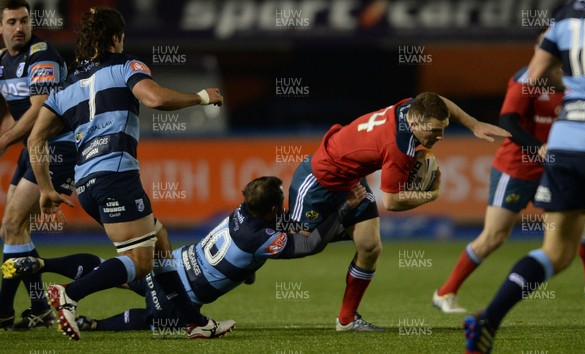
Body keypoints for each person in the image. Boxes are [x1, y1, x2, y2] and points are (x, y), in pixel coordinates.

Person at [25, 7, 233, 341]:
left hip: (86, 183)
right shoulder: (125, 65)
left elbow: (35, 138)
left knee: (161, 244)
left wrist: (45, 188)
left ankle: (194, 322)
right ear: (116, 37)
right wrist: (201, 97)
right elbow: (154, 98)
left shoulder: (65, 87)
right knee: (141, 261)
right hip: (115, 176)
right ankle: (70, 294)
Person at [3, 177, 366, 332]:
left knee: (112, 268)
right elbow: (308, 244)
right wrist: (345, 218)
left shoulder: (243, 213)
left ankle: (44, 263)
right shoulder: (260, 235)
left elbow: (285, 231)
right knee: (163, 320)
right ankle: (95, 324)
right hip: (183, 287)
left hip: (171, 262)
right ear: (272, 209)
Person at [288, 92, 511, 331]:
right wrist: (431, 195)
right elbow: (392, 202)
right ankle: (246, 253)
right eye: (435, 130)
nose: (441, 136)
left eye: (443, 128)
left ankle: (347, 319)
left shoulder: (413, 108)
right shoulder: (398, 147)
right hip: (318, 181)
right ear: (414, 123)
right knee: (299, 245)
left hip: (351, 180)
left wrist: (474, 125)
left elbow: (441, 101)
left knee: (370, 246)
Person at [464, 1, 585, 353]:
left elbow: (533, 75)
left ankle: (489, 318)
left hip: (566, 139)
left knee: (556, 251)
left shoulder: (564, 17)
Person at [434, 30, 585, 314]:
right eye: (541, 46)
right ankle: (446, 292)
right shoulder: (526, 80)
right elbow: (508, 122)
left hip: (557, 167)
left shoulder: (579, 81)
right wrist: (539, 148)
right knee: (494, 236)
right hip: (517, 168)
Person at [0, 0, 74, 330]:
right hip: (32, 147)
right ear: (0, 28)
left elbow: (39, 108)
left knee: (14, 223)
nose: (20, 28)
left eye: (25, 20)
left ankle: (3, 311)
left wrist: (4, 139)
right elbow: (15, 110)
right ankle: (40, 307)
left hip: (58, 147)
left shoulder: (41, 54)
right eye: (12, 22)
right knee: (13, 228)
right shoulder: (3, 62)